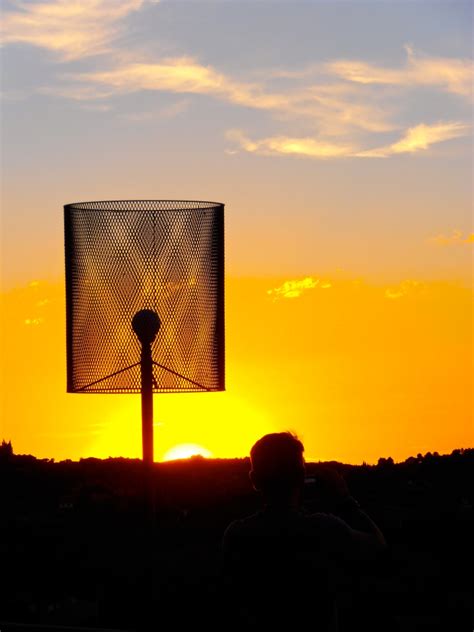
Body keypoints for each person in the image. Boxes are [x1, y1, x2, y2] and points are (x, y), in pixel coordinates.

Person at [221, 432, 386, 630]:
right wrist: (345, 499)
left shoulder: (237, 535)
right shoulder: (324, 529)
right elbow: (378, 546)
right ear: (301, 475)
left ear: (254, 480)